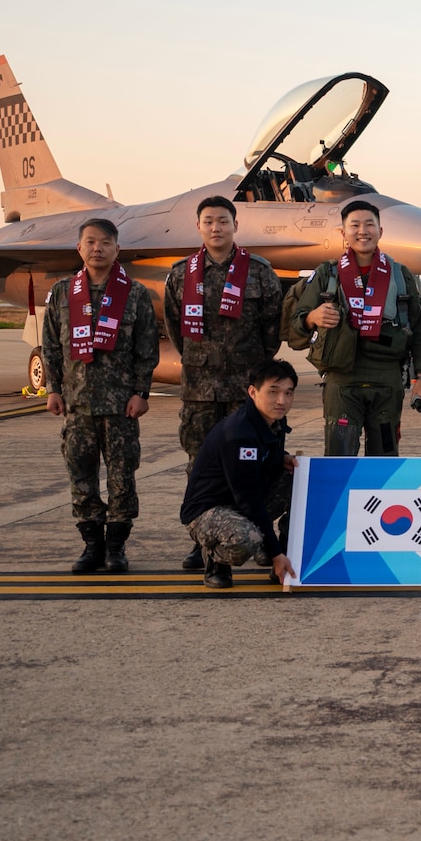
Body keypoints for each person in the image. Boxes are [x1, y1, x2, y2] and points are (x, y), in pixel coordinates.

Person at [164, 195, 282, 569]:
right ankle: (205, 542)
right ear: (199, 227)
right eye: (209, 221)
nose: (216, 228)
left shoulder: (261, 271)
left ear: (235, 225)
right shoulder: (182, 274)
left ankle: (258, 535)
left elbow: (271, 331)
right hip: (200, 391)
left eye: (223, 221)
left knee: (258, 467)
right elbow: (174, 326)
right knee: (200, 468)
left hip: (247, 395)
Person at [40, 218, 159, 575]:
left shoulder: (134, 293)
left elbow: (146, 349)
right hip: (76, 407)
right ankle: (91, 546)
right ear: (79, 248)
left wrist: (141, 392)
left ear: (117, 249)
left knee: (123, 478)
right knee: (82, 478)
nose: (97, 248)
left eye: (105, 242)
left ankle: (116, 548)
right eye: (90, 242)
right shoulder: (63, 292)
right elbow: (50, 345)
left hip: (121, 407)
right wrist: (53, 389)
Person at [286, 199, 421, 456]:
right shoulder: (327, 274)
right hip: (342, 380)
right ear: (343, 233)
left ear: (380, 231)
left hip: (387, 379)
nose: (362, 231)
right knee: (339, 455)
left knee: (384, 456)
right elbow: (296, 325)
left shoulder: (400, 275)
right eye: (355, 225)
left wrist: (420, 379)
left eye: (369, 225)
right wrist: (313, 317)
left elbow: (419, 331)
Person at [180, 358, 299, 589]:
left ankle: (288, 558)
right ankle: (215, 558)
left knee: (302, 481)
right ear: (253, 392)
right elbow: (249, 498)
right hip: (209, 510)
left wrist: (281, 458)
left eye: (288, 393)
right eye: (273, 392)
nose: (282, 400)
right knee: (247, 541)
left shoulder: (272, 421)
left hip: (239, 502)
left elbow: (262, 457)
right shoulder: (239, 434)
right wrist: (274, 553)